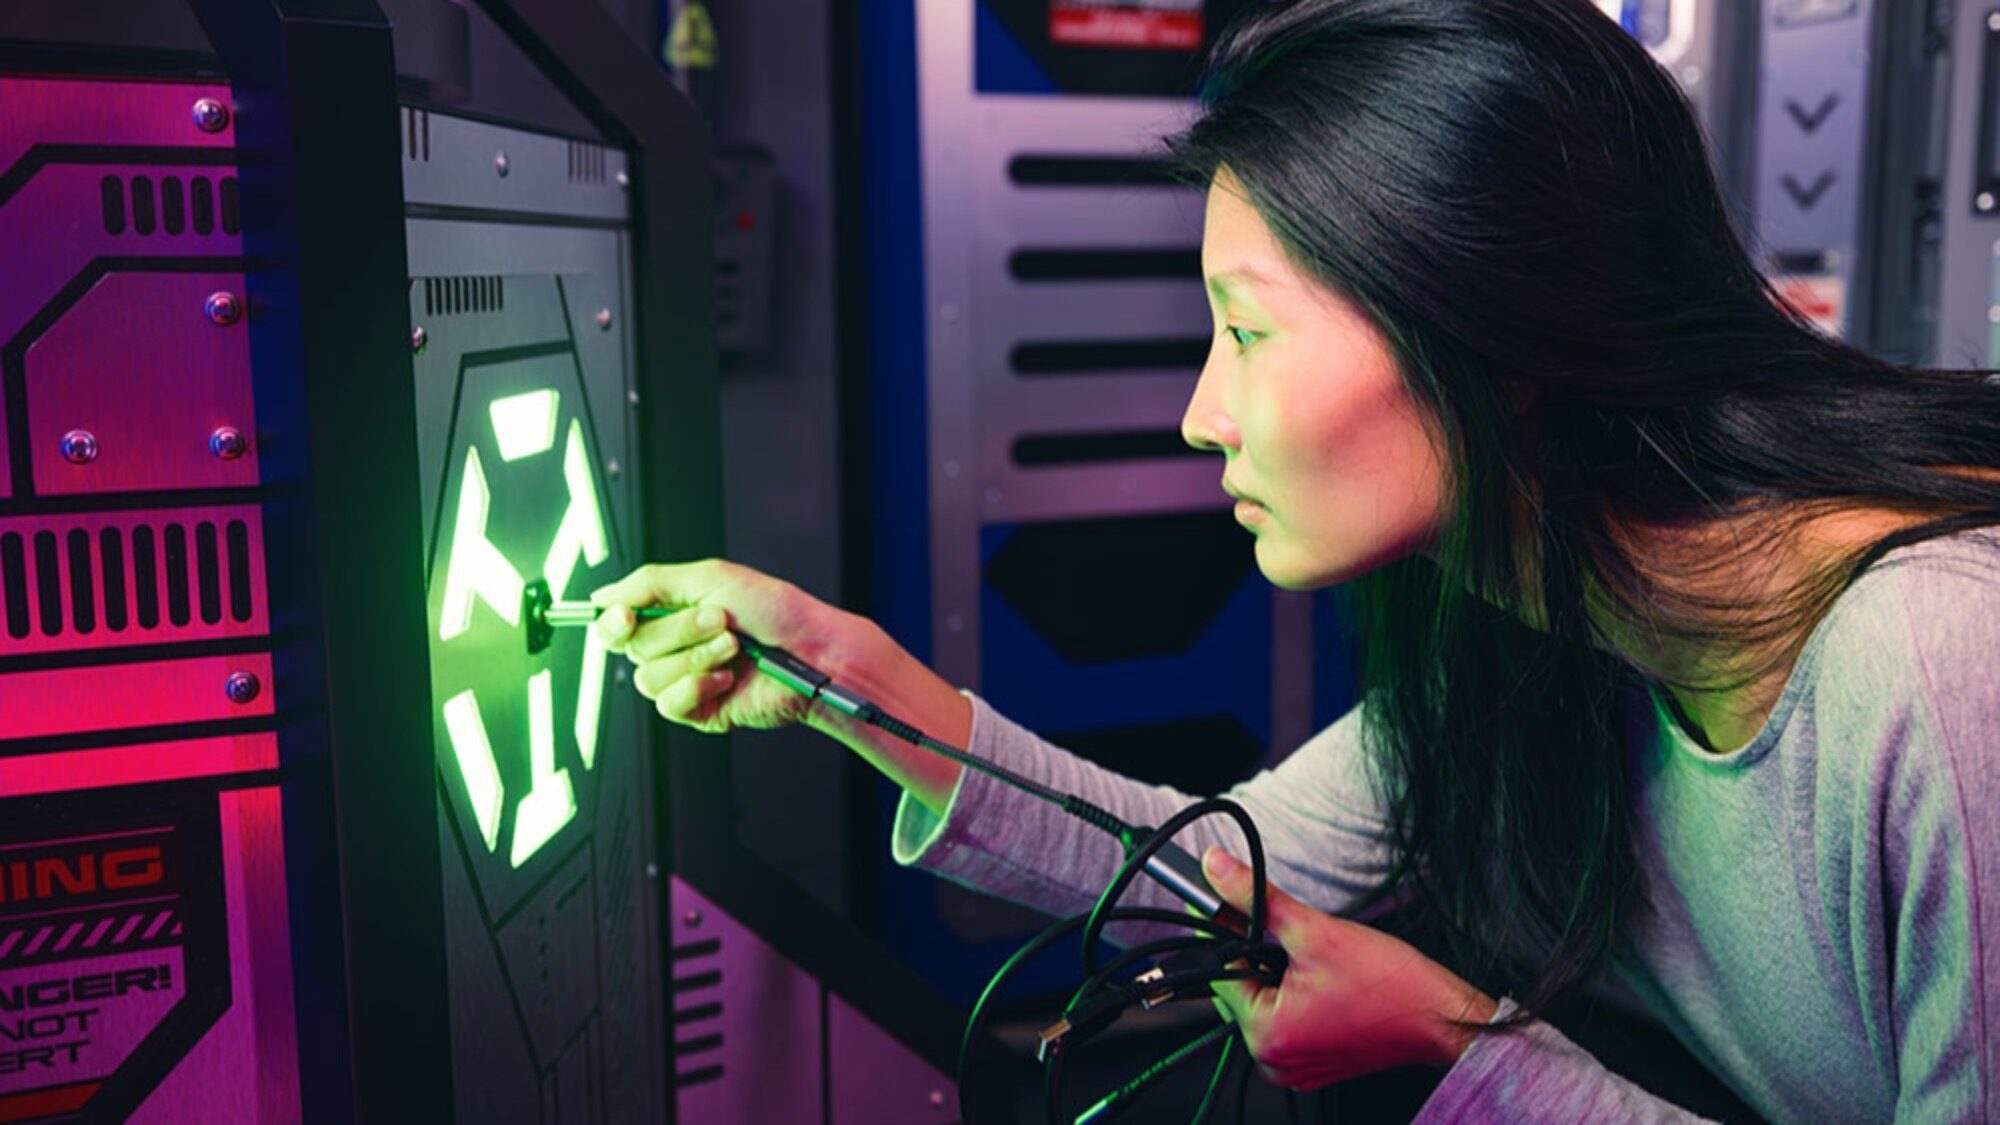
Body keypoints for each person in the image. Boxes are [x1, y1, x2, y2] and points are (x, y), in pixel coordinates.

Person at [592, 0, 2000, 1119]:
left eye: (1247, 331)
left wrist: (1459, 1041)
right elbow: (1216, 869)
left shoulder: (1940, 669)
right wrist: (846, 679)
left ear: (1491, 333)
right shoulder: (1539, 611)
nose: (1202, 412)